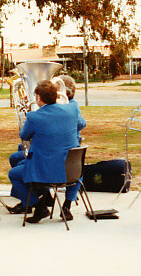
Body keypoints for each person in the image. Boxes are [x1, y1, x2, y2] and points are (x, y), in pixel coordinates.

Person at [7, 79, 84, 223]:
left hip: (45, 172)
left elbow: (24, 135)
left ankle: (39, 206)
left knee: (14, 174)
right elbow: (81, 123)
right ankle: (66, 205)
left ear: (38, 98)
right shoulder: (72, 109)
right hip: (70, 171)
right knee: (19, 161)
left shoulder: (34, 117)